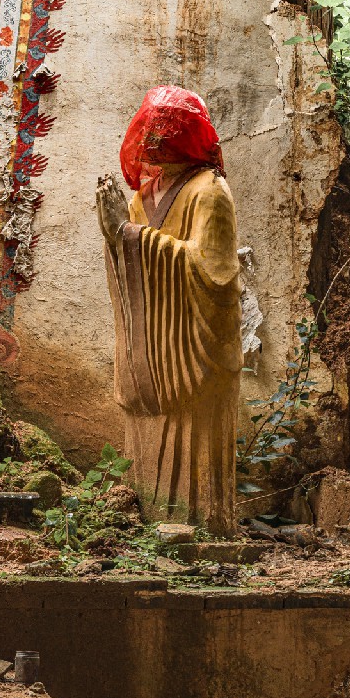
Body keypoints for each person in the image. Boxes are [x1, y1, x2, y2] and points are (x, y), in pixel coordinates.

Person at [96, 86, 244, 535]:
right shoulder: (142, 197)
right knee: (147, 437)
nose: (154, 138)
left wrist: (127, 235)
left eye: (167, 129)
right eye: (150, 127)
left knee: (194, 438)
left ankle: (202, 527)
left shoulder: (210, 191)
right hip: (154, 351)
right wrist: (118, 236)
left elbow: (213, 272)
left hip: (192, 348)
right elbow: (129, 264)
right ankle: (147, 517)